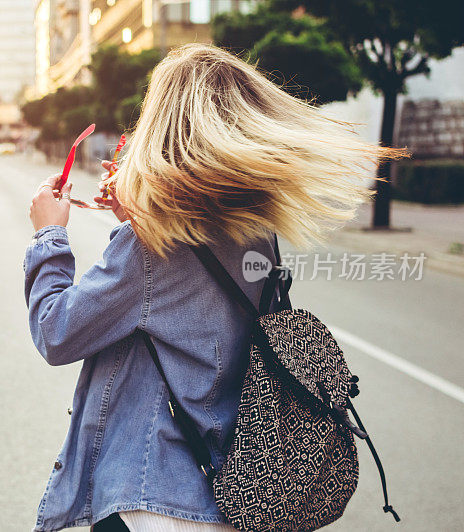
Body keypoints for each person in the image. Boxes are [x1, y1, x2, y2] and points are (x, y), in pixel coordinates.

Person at [23, 44, 401, 532]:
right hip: (224, 493)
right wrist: (136, 217)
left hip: (152, 497)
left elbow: (56, 332)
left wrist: (48, 234)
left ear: (164, 125)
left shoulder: (152, 247)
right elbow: (188, 300)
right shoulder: (257, 230)